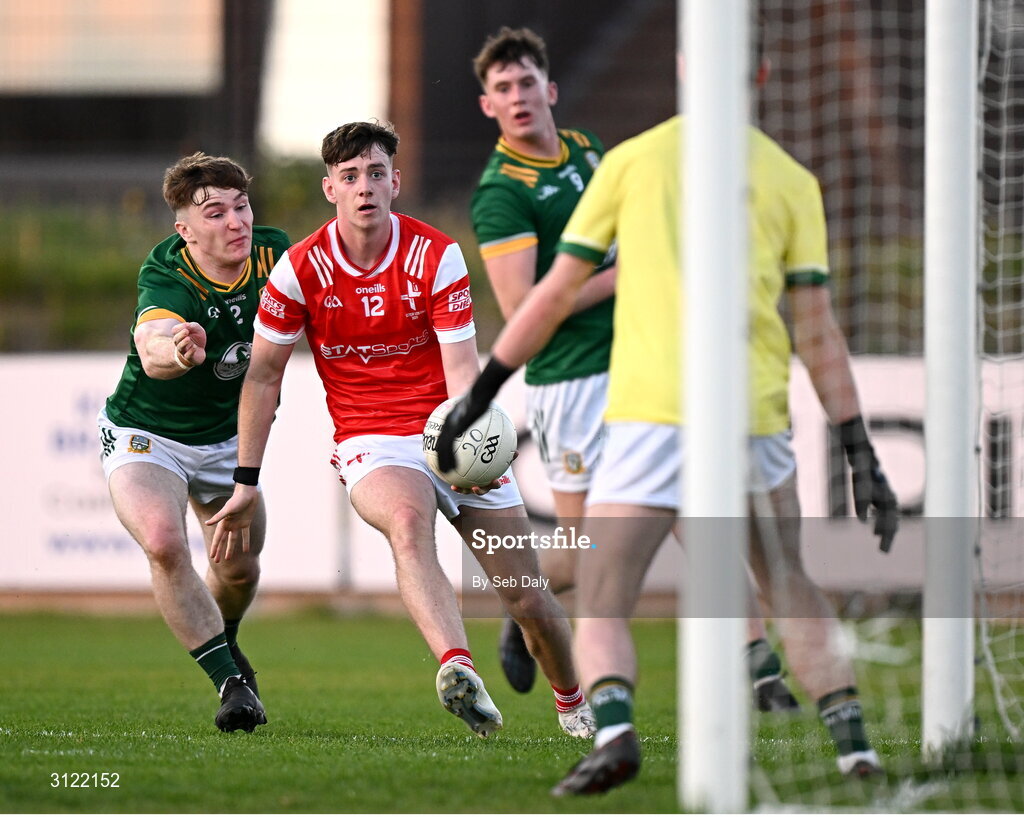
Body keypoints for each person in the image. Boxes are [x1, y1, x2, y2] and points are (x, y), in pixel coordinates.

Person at [438, 68, 899, 793]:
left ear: (687, 66)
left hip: (651, 410)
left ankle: (616, 730)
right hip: (750, 412)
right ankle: (853, 746)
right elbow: (816, 329)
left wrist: (486, 386)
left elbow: (553, 294)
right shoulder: (790, 178)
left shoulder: (626, 159)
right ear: (766, 72)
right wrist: (858, 446)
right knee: (786, 575)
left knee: (604, 582)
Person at [208, 121, 595, 740]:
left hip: (451, 427)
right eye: (351, 176)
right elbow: (262, 378)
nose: (366, 187)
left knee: (527, 599)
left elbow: (462, 370)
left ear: (396, 181)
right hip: (371, 439)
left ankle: (574, 704)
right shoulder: (297, 271)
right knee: (410, 526)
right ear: (330, 187)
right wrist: (246, 480)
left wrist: (466, 448)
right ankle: (457, 666)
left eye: (377, 173)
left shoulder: (435, 254)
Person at [470, 25, 800, 714]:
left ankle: (762, 669)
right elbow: (523, 306)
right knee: (589, 549)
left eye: (527, 81)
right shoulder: (500, 193)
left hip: (645, 362)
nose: (518, 95)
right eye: (502, 88)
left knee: (698, 517)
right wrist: (625, 273)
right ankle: (525, 596)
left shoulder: (592, 151)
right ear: (488, 108)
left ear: (550, 90)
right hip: (572, 383)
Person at [98, 152, 290, 732]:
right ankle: (231, 683)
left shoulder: (275, 255)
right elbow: (153, 343)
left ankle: (225, 644)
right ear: (184, 229)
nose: (236, 222)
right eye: (215, 213)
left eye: (241, 206)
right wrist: (178, 350)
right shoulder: (167, 272)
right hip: (146, 436)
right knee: (163, 541)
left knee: (239, 572)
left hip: (227, 443)